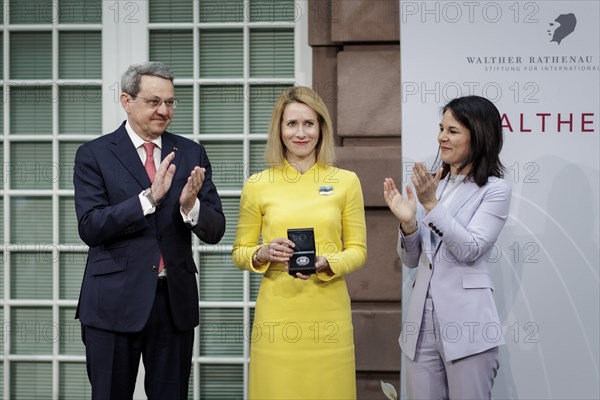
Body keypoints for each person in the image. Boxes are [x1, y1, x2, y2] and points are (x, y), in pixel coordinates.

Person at [73, 62, 226, 400]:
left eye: (170, 102)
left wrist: (190, 206)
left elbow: (215, 229)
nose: (163, 110)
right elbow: (91, 226)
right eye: (154, 101)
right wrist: (148, 199)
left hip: (173, 303)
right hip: (112, 303)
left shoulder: (191, 151)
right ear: (126, 101)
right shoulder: (94, 155)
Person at [232, 86, 367, 399]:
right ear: (279, 130)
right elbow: (240, 252)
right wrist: (262, 253)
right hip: (277, 316)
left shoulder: (346, 181)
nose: (300, 133)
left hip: (329, 315)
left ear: (321, 128)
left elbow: (358, 251)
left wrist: (330, 262)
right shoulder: (257, 185)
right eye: (291, 124)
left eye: (309, 123)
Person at [383, 95, 511, 399]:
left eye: (452, 131)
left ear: (478, 135)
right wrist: (408, 224)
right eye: (441, 128)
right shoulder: (435, 184)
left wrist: (430, 204)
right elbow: (411, 259)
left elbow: (471, 249)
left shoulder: (495, 190)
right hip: (420, 325)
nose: (442, 137)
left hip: (467, 325)